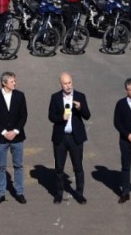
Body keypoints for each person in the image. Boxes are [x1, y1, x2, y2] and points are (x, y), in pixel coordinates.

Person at [48, 73, 91, 204]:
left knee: (78, 167)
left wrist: (80, 108)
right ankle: (59, 193)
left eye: (70, 83)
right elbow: (51, 116)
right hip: (60, 138)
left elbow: (87, 116)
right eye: (65, 83)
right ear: (60, 84)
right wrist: (62, 118)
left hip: (75, 137)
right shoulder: (55, 97)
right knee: (59, 168)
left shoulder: (80, 96)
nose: (68, 86)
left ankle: (79, 193)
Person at [0, 71, 28, 205]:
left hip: (17, 137)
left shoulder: (20, 95)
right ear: (4, 83)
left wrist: (15, 131)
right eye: (12, 81)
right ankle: (1, 194)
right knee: (1, 166)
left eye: (14, 81)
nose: (15, 83)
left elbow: (24, 115)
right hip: (1, 138)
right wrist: (4, 132)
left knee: (18, 165)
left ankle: (19, 192)